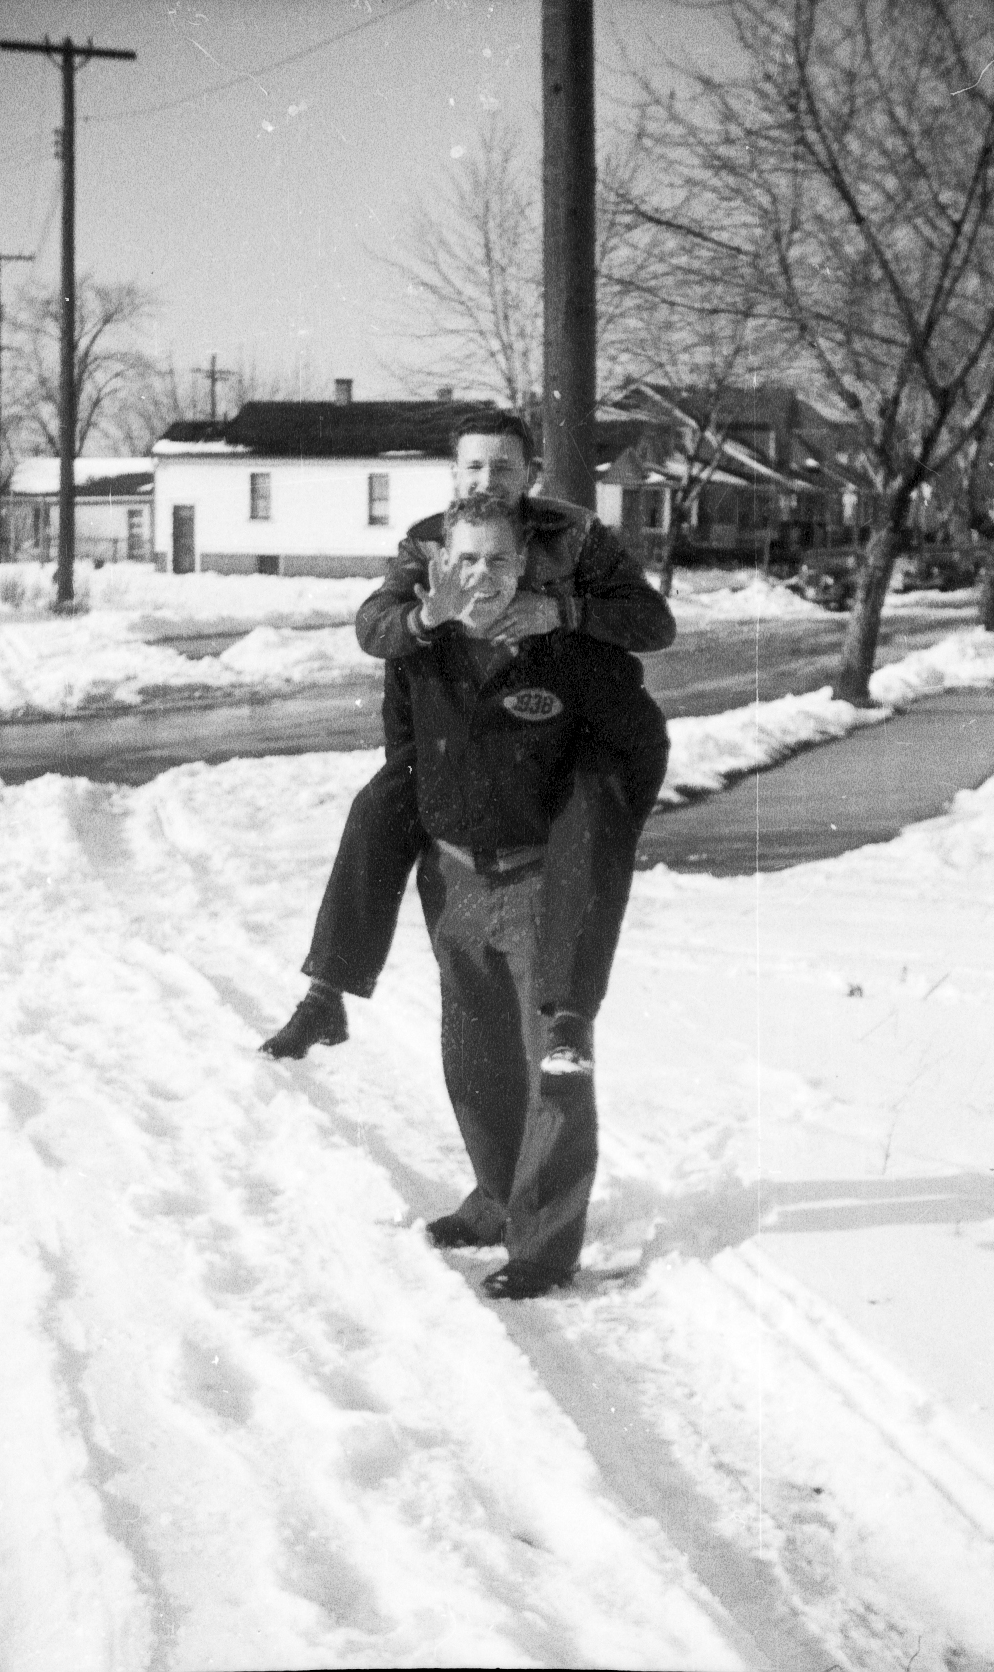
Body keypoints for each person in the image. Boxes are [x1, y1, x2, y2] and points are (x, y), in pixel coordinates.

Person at [260, 411, 675, 1067]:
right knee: (378, 805)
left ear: (531, 474)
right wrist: (427, 614)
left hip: (572, 717)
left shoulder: (575, 536)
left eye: (506, 466)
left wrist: (563, 611)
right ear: (453, 474)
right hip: (470, 713)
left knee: (590, 818)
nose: (491, 478)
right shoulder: (429, 540)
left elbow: (653, 623)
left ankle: (569, 1014)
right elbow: (374, 627)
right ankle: (326, 991)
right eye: (476, 466)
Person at [380, 493, 668, 1297]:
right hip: (452, 879)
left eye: (499, 560)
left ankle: (542, 1244)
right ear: (441, 565)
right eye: (466, 559)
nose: (483, 576)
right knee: (473, 1056)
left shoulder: (567, 651)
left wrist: (594, 838)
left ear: (526, 567)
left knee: (554, 1065)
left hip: (539, 879)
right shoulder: (421, 650)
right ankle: (496, 1199)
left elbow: (639, 742)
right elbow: (401, 754)